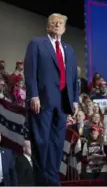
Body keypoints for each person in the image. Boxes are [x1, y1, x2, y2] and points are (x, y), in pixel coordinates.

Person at [24, 13, 79, 186]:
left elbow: (73, 77)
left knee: (56, 144)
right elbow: (30, 71)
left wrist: (75, 100)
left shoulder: (69, 49)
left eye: (60, 23)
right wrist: (33, 95)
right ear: (48, 26)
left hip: (63, 103)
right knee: (41, 142)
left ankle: (53, 180)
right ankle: (42, 181)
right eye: (53, 22)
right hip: (43, 100)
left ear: (64, 28)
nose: (57, 25)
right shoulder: (37, 44)